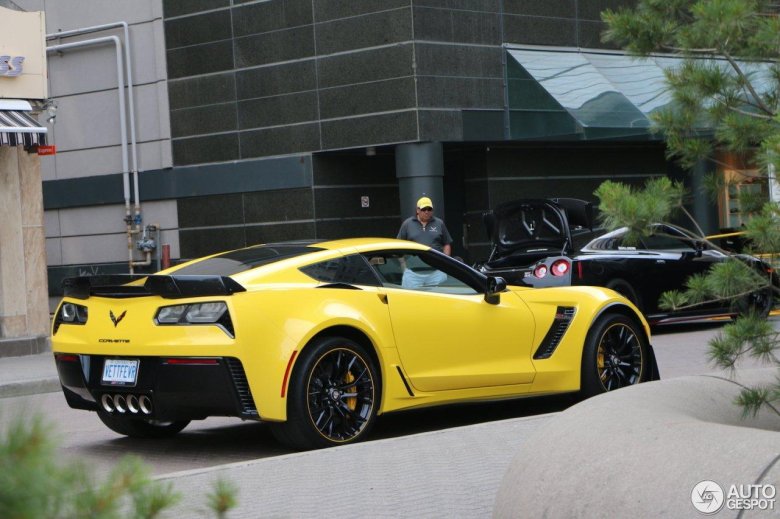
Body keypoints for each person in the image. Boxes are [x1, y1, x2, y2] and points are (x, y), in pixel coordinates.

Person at [397, 196, 453, 289]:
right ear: (417, 210)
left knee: (440, 301)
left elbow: (446, 243)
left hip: (436, 273)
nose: (427, 212)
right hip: (413, 274)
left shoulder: (439, 223)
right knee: (410, 301)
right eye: (424, 209)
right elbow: (398, 245)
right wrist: (403, 265)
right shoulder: (407, 224)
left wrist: (445, 263)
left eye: (429, 209)